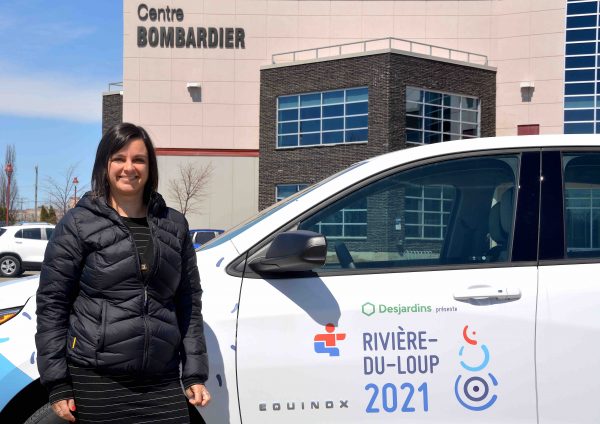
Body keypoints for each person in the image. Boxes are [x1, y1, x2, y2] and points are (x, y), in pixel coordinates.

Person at [35, 123, 211, 423]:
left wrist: (194, 371)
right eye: (119, 158)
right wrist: (57, 381)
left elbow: (188, 302)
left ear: (150, 167)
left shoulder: (174, 225)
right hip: (97, 377)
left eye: (139, 159)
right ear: (104, 165)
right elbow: (53, 303)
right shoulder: (78, 224)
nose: (129, 167)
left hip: (163, 378)